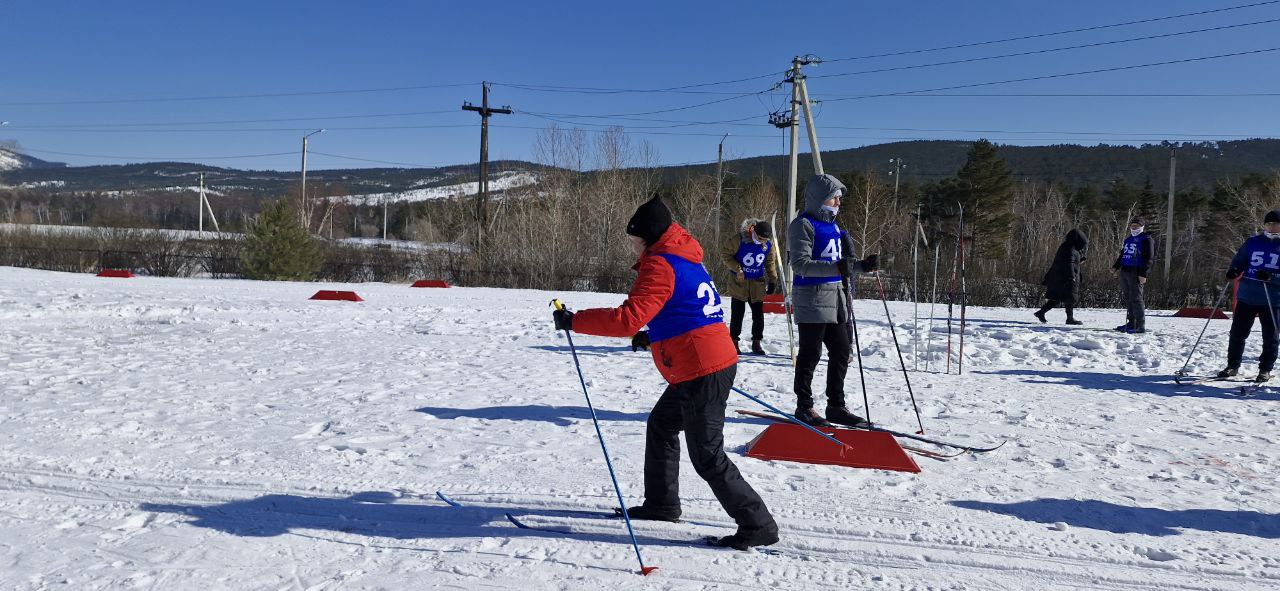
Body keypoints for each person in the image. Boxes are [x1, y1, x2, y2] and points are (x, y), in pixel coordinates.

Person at [551, 196, 779, 550]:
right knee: (661, 425)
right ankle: (662, 504)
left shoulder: (660, 264)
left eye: (634, 237)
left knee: (707, 455)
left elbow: (627, 317)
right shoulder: (683, 257)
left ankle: (757, 524)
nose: (632, 244)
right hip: (701, 362)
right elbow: (687, 308)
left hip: (704, 368)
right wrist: (654, 336)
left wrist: (575, 321)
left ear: (648, 235)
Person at [787, 174, 878, 427]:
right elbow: (800, 264)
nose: (838, 201)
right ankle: (804, 407)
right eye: (834, 197)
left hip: (835, 298)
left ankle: (836, 405)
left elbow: (842, 265)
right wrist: (839, 268)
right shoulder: (802, 225)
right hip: (812, 299)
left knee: (841, 351)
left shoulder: (836, 227)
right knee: (810, 354)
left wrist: (862, 266)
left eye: (839, 197)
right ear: (819, 199)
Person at [1219, 209, 1280, 382]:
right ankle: (1232, 366)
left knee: (1270, 337)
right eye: (1269, 223)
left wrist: (1272, 276)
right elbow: (1240, 260)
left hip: (1272, 299)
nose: (1272, 227)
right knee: (1237, 333)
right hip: (1247, 296)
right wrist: (1234, 270)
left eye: (1276, 224)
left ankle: (1265, 369)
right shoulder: (1253, 242)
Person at [721, 218, 778, 355]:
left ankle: (757, 342)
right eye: (760, 238)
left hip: (757, 284)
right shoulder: (739, 239)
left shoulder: (768, 245)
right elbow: (726, 255)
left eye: (765, 239)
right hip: (739, 282)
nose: (762, 241)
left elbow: (770, 262)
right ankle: (734, 341)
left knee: (758, 315)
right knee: (737, 314)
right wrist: (737, 268)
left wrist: (773, 279)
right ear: (753, 231)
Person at [1035, 229, 1089, 325]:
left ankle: (1041, 312)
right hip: (1066, 278)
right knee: (1069, 298)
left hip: (1060, 276)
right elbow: (1069, 263)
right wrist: (1072, 276)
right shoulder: (1071, 248)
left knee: (1058, 298)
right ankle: (1070, 319)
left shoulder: (1066, 247)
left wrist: (1079, 261)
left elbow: (1068, 262)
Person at [1112, 217, 1155, 333]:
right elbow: (1123, 254)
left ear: (1142, 227)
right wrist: (1116, 266)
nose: (1134, 228)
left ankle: (1140, 325)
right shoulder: (1128, 239)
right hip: (1125, 270)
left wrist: (1143, 273)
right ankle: (1131, 323)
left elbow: (1148, 258)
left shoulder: (1146, 239)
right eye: (1132, 226)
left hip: (1136, 272)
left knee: (1136, 298)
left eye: (1136, 226)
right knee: (1129, 298)